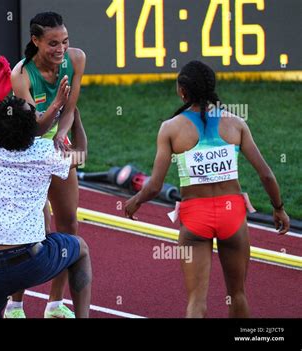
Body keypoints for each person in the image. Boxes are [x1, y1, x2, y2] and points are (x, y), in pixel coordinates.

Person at [124, 60, 290, 318]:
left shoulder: (170, 128)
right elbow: (266, 174)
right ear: (212, 87)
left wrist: (135, 201)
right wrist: (278, 209)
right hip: (232, 216)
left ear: (182, 91)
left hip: (194, 219)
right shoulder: (236, 123)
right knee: (238, 295)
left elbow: (155, 186)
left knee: (196, 302)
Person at [0, 56, 92, 318]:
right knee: (79, 248)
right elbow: (81, 154)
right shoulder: (44, 151)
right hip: (29, 263)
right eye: (33, 113)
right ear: (31, 132)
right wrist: (74, 113)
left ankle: (15, 307)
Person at [7, 11, 87, 318]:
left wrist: (63, 134)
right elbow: (34, 129)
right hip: (27, 149)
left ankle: (55, 303)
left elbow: (71, 109)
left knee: (68, 223)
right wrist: (54, 107)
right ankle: (15, 305)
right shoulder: (22, 76)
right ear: (36, 40)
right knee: (31, 229)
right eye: (53, 43)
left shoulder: (76, 59)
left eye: (64, 41)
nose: (61, 49)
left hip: (55, 147)